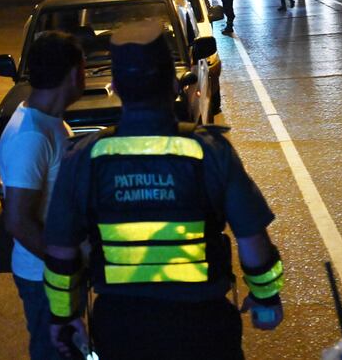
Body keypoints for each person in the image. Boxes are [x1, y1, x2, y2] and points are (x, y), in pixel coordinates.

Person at [43, 21, 284, 360]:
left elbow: (61, 252)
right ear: (173, 83)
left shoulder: (84, 157)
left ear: (116, 87)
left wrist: (63, 319)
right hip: (204, 328)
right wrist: (266, 297)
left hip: (121, 330)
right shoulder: (210, 151)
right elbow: (252, 240)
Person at [0, 31, 85, 360]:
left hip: (52, 276)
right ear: (75, 72)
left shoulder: (48, 123)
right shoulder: (31, 135)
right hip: (44, 279)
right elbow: (18, 221)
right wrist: (66, 266)